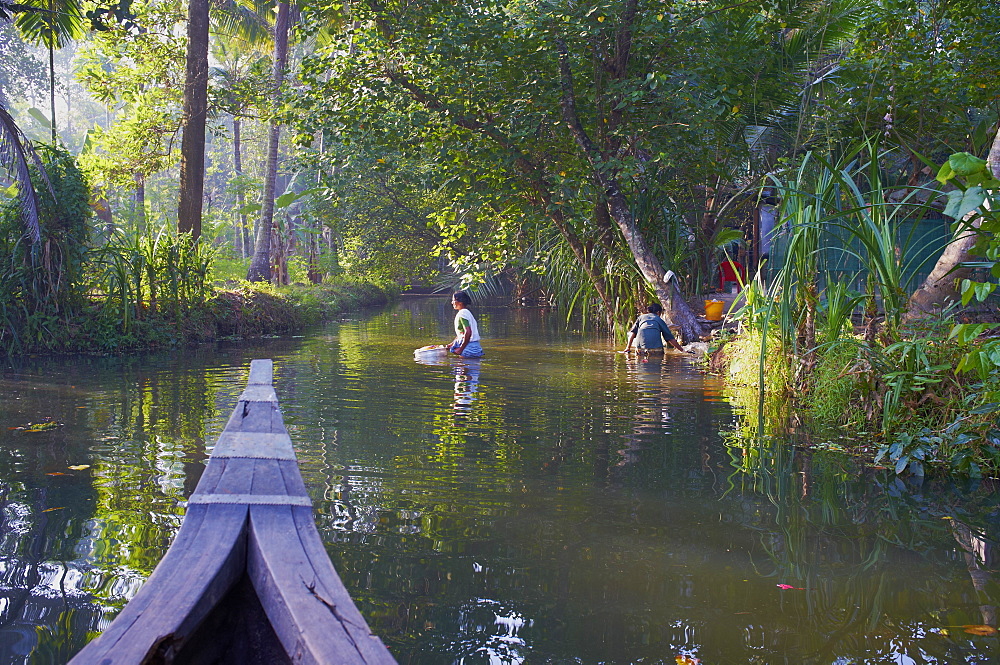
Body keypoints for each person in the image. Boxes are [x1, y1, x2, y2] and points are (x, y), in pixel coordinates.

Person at [623, 303, 690, 354]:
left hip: (640, 349)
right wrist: (682, 350)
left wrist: (628, 347)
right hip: (656, 350)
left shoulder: (641, 318)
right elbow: (670, 338)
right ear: (658, 312)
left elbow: (633, 333)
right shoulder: (659, 319)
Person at [447, 291, 484, 358]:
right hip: (475, 347)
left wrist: (461, 349)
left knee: (463, 366)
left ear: (460, 302)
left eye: (453, 300)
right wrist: (452, 344)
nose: (452, 302)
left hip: (468, 349)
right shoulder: (467, 312)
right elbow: (462, 333)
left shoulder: (462, 314)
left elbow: (468, 332)